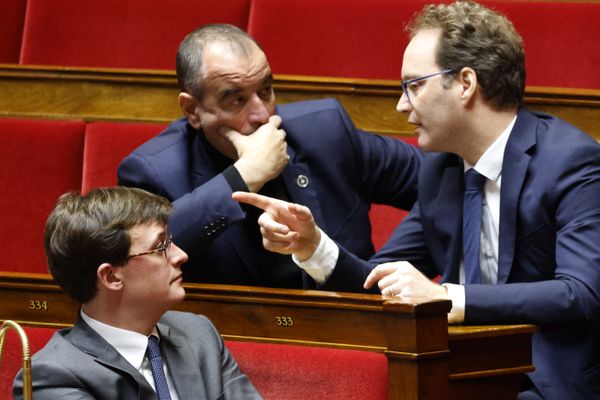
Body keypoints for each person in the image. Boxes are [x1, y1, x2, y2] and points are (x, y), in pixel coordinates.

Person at [233, 2, 600, 399]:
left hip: (549, 381)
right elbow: (379, 282)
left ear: (465, 83)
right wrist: (313, 246)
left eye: (414, 85)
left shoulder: (570, 162)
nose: (402, 105)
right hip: (460, 372)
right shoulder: (440, 170)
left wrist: (447, 297)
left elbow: (580, 294)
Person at [117, 23, 422, 288]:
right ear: (192, 110)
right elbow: (136, 258)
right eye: (237, 100)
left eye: (265, 91)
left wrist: (383, 268)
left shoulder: (325, 130)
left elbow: (439, 180)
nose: (262, 115)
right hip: (238, 342)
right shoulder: (154, 170)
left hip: (350, 328)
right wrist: (244, 176)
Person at [13, 187, 261, 399]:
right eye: (161, 246)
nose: (181, 255)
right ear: (111, 277)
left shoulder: (199, 333)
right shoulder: (53, 376)